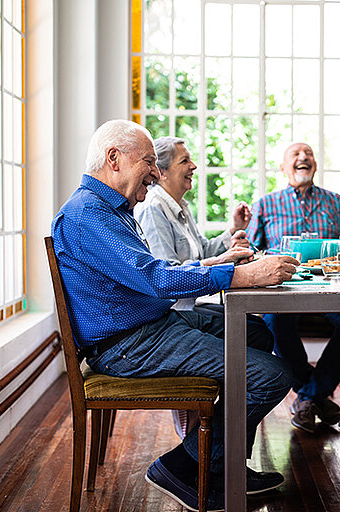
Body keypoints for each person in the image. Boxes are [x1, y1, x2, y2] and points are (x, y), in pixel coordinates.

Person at [52, 119, 300, 511]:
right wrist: (237, 275)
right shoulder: (88, 215)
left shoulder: (110, 210)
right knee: (274, 375)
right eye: (148, 161)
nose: (155, 171)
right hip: (129, 344)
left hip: (151, 324)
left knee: (256, 334)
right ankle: (182, 466)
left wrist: (227, 269)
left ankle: (222, 464)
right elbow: (157, 278)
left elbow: (154, 275)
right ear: (113, 159)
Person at [135, 136, 274, 438]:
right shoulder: (153, 210)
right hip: (173, 313)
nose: (193, 166)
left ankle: (220, 435)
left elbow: (199, 252)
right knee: (262, 351)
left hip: (189, 308)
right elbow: (169, 276)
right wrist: (228, 262)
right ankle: (203, 434)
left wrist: (233, 231)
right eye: (184, 161)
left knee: (260, 333)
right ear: (161, 171)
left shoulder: (179, 206)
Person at [246, 142, 340, 433]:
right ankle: (314, 394)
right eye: (296, 154)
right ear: (283, 167)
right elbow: (250, 250)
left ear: (315, 165)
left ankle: (309, 397)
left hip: (332, 291)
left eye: (309, 155)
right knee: (274, 320)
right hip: (284, 291)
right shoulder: (265, 204)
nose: (303, 158)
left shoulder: (335, 202)